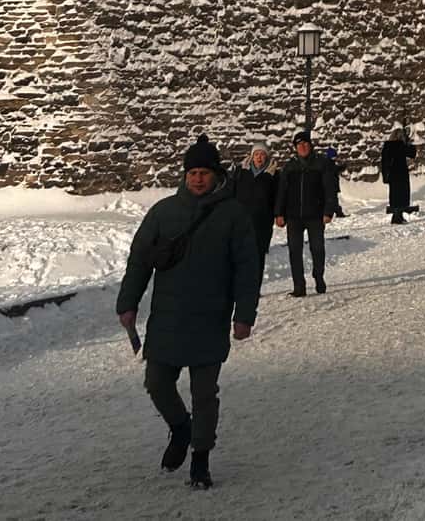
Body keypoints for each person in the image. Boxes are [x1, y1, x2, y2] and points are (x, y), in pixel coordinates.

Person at [115, 134, 260, 491]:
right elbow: (139, 261)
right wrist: (128, 302)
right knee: (156, 382)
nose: (197, 178)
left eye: (204, 172)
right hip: (168, 317)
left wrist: (245, 315)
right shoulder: (163, 213)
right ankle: (180, 427)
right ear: (184, 174)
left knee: (204, 393)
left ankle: (200, 458)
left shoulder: (232, 214)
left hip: (210, 317)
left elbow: (247, 267)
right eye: (192, 172)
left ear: (216, 175)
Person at [274, 130, 337, 297]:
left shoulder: (321, 164)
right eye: (299, 145)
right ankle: (299, 286)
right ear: (295, 147)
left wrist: (328, 211)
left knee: (317, 249)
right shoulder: (290, 166)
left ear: (310, 145)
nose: (302, 147)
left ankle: (318, 276)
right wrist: (279, 213)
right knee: (294, 251)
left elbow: (329, 189)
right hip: (294, 216)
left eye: (305, 144)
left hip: (315, 215)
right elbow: (282, 191)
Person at [229, 140, 277, 280]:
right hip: (241, 221)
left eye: (262, 154)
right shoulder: (241, 171)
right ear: (252, 156)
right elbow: (232, 192)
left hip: (262, 221)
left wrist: (277, 214)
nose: (259, 157)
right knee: (240, 253)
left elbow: (277, 197)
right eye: (256, 154)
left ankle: (255, 285)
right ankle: (239, 284)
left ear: (266, 157)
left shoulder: (273, 174)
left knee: (258, 255)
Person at [380, 123, 418, 224]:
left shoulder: (387, 146)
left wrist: (385, 176)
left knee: (395, 196)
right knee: (402, 196)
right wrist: (409, 142)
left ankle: (397, 217)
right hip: (400, 173)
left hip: (391, 175)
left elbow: (384, 162)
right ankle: (398, 217)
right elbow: (412, 153)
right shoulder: (400, 145)